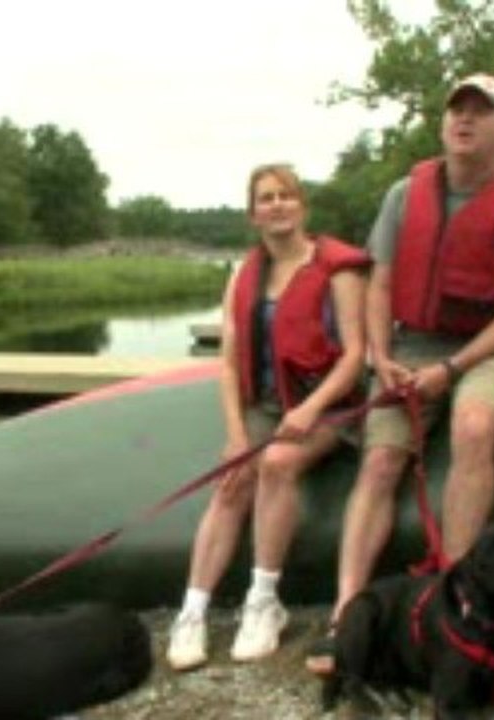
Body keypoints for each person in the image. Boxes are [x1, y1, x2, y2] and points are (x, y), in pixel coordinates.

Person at [307, 73, 494, 675]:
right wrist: (378, 353)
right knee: (379, 460)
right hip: (409, 345)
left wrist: (453, 369)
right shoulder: (405, 193)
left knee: (474, 427)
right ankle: (347, 606)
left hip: (486, 347)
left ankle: (454, 595)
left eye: (482, 111)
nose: (465, 121)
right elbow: (382, 282)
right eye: (457, 111)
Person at [165, 163, 370, 671]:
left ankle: (264, 600)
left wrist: (310, 409)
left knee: (277, 463)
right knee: (235, 480)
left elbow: (353, 357)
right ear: (253, 214)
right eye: (265, 198)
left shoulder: (339, 271)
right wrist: (236, 434)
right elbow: (231, 361)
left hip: (331, 405)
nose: (277, 204)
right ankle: (193, 610)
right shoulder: (243, 275)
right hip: (268, 404)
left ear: (301, 206)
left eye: (286, 195)